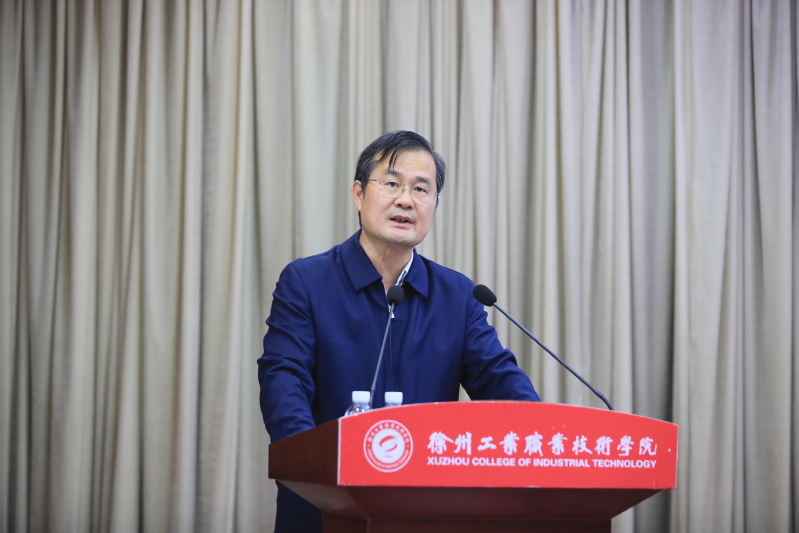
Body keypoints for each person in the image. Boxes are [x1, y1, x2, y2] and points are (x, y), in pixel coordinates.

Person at [258, 130, 540, 532]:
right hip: (325, 509)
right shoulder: (307, 281)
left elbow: (498, 377)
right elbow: (284, 379)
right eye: (391, 184)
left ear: (434, 205)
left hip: (427, 512)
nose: (406, 200)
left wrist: (541, 434)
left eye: (421, 189)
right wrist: (311, 464)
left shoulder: (457, 294)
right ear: (359, 194)